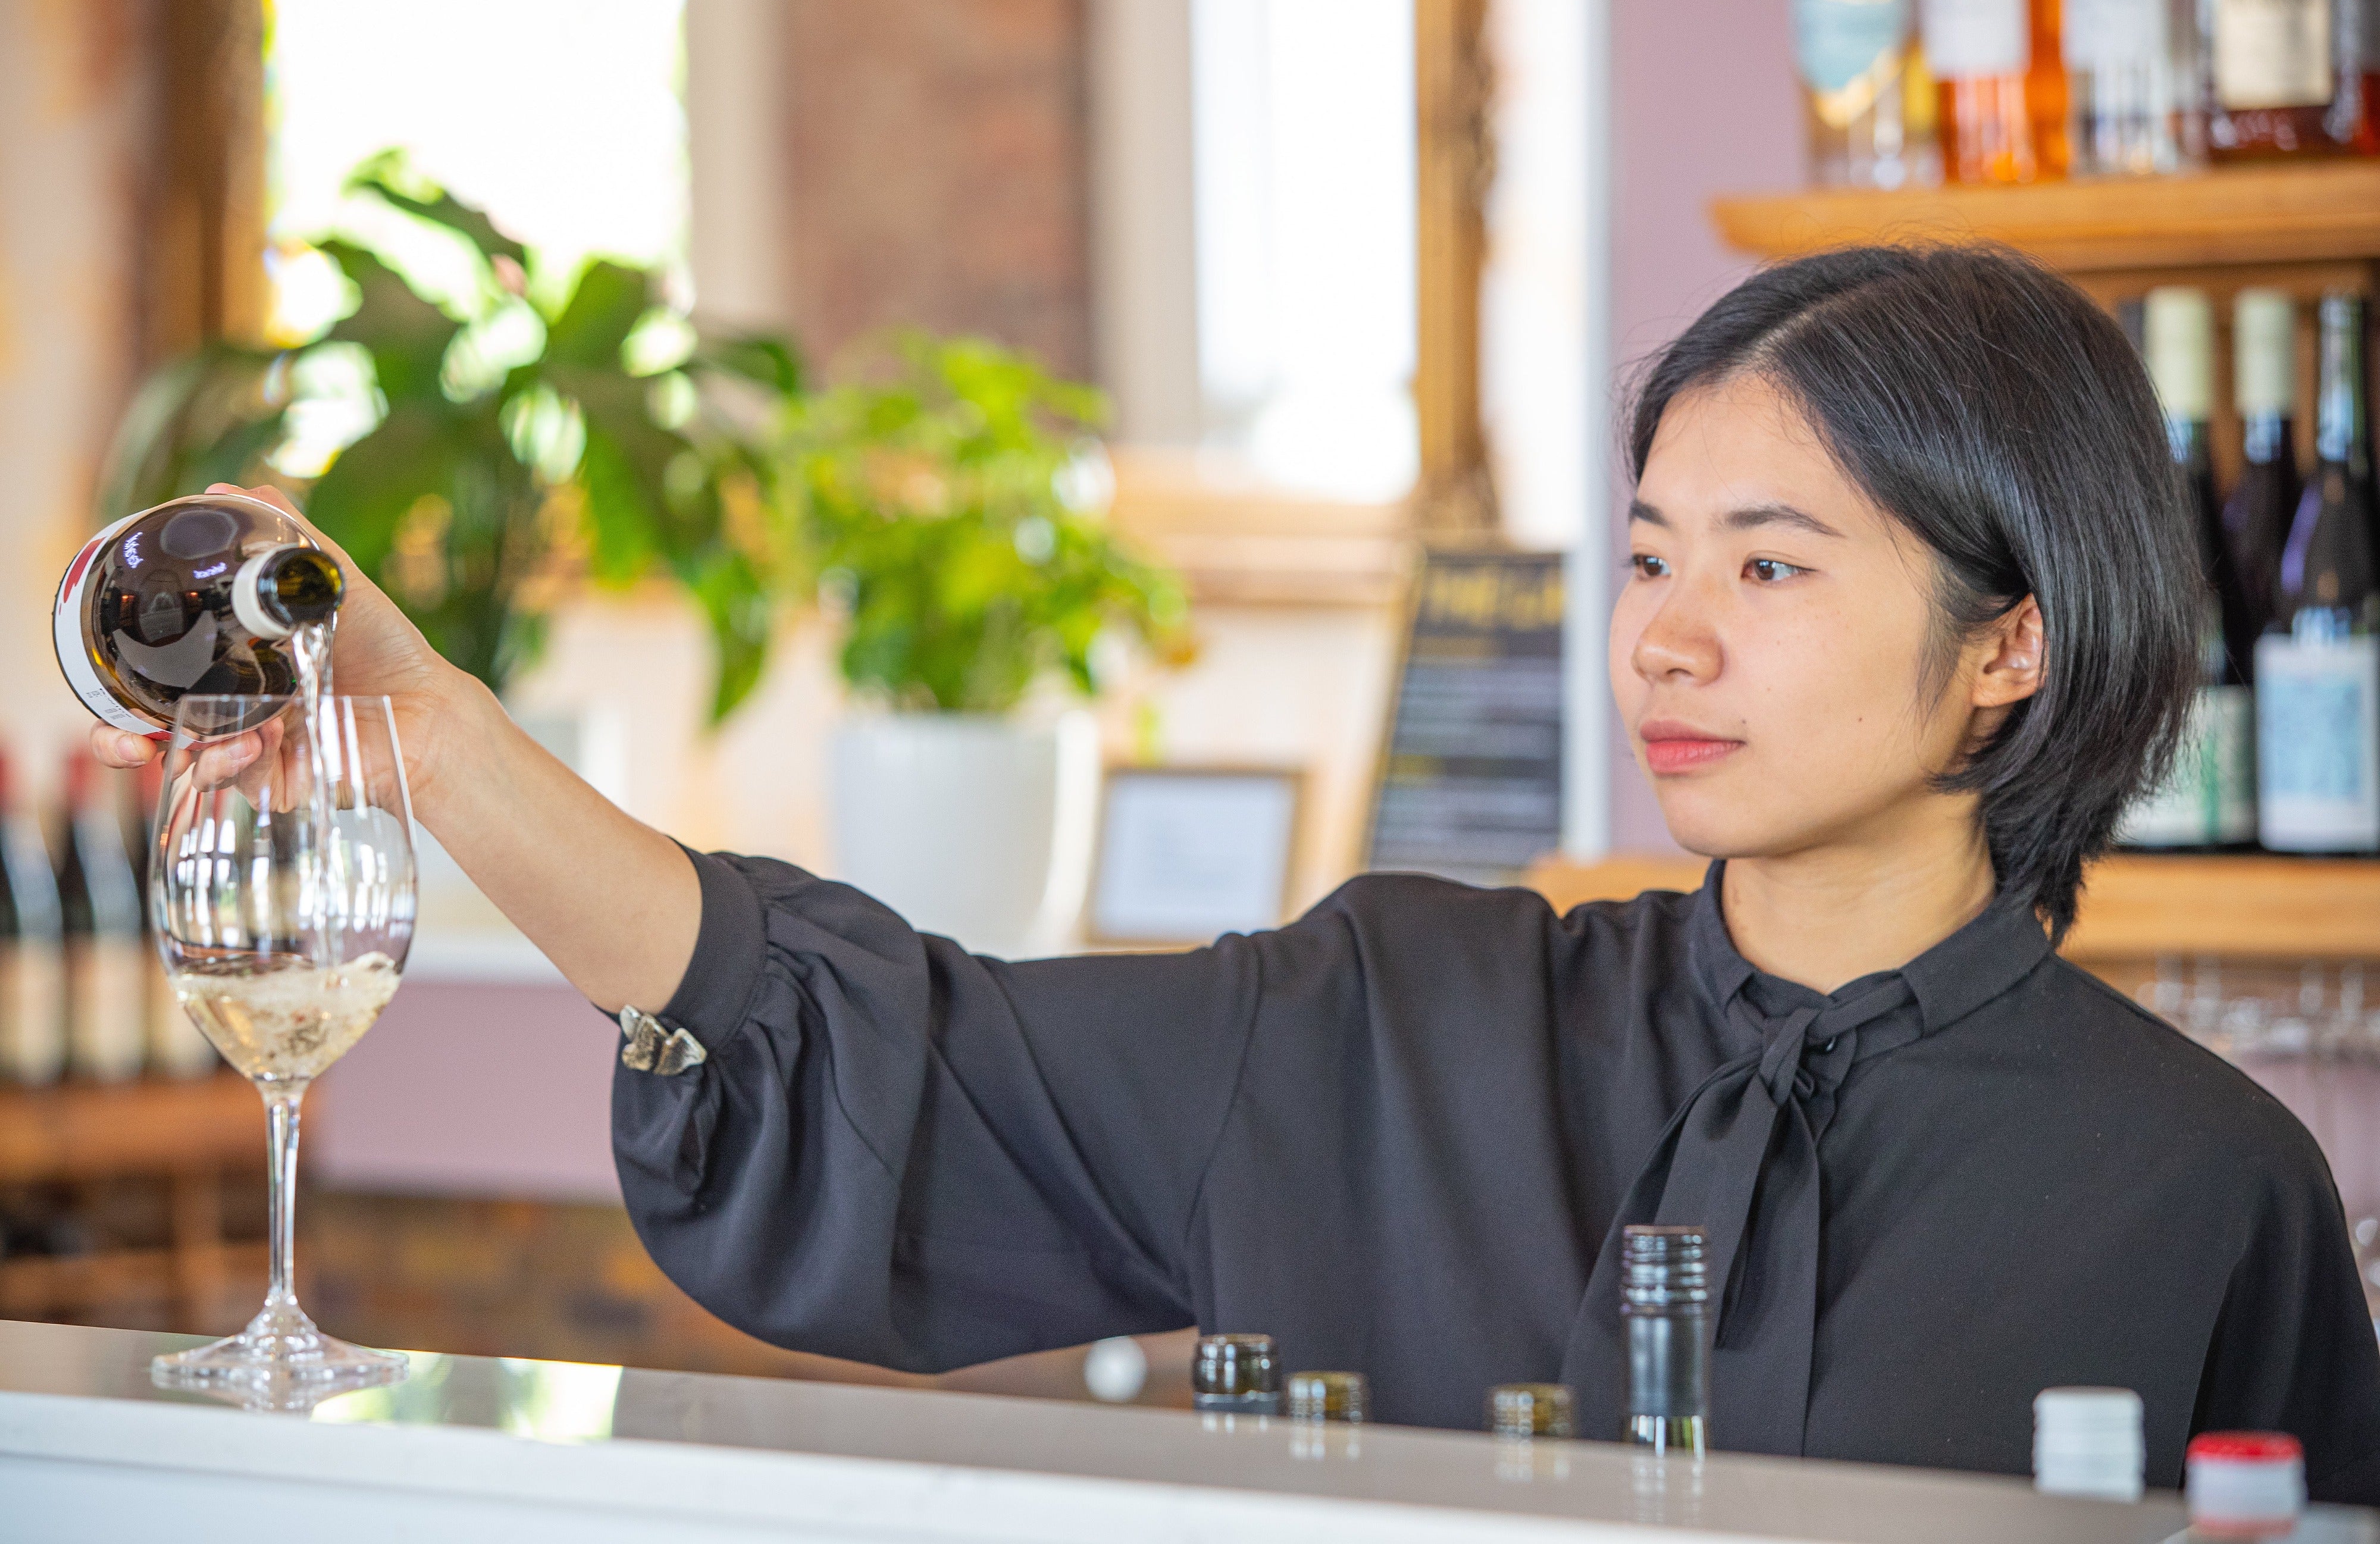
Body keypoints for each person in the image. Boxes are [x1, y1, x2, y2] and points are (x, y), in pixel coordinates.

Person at [97, 244, 2380, 1497]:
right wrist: (422, 723)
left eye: (1772, 567)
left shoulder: (2204, 1191)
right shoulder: (1385, 1019)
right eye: (1657, 550)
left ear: (2014, 642)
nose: (1666, 633)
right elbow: (874, 1049)